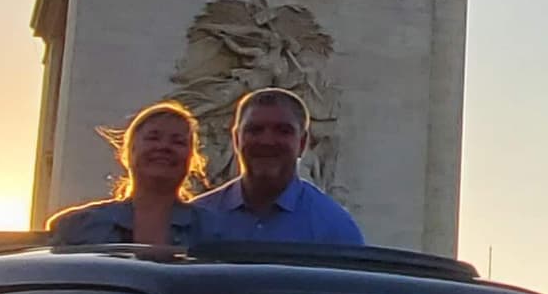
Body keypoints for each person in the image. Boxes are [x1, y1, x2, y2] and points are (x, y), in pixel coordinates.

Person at [185, 86, 366, 246]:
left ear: (302, 143)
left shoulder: (335, 229)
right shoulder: (195, 220)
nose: (267, 141)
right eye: (255, 130)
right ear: (236, 139)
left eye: (283, 131)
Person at [49, 101, 202, 249]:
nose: (164, 147)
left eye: (178, 142)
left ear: (192, 158)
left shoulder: (217, 231)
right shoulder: (76, 228)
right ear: (128, 151)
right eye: (153, 138)